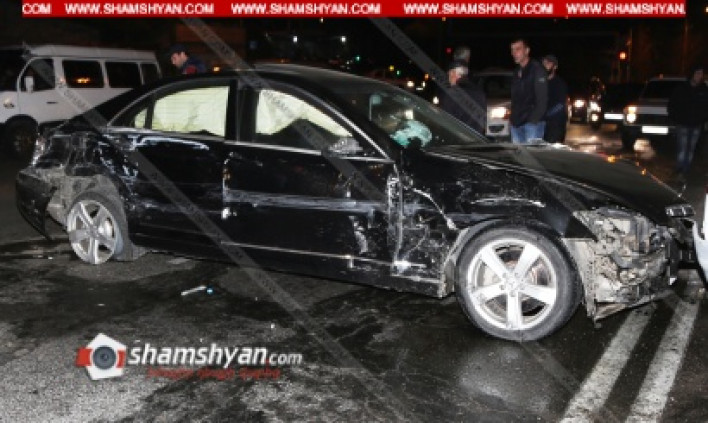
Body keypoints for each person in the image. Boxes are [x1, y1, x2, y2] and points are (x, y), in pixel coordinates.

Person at [668, 64, 708, 176]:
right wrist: (675, 118)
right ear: (692, 74)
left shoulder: (704, 89)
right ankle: (680, 168)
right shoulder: (682, 88)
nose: (700, 76)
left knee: (691, 148)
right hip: (683, 123)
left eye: (701, 74)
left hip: (696, 124)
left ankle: (686, 169)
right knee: (682, 148)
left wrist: (703, 119)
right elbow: (673, 104)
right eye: (698, 73)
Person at [509, 38, 548, 143]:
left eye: (518, 49)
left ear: (527, 50)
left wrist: (533, 121)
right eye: (512, 50)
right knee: (518, 153)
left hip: (531, 125)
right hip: (516, 124)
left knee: (531, 153)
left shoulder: (537, 70)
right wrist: (512, 119)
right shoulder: (516, 72)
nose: (514, 53)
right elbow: (515, 98)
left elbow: (542, 100)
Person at [438, 60, 487, 134]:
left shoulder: (452, 94)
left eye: (449, 74)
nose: (448, 78)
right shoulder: (480, 93)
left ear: (453, 73)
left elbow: (445, 120)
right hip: (475, 138)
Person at [541, 54, 568, 143]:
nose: (545, 66)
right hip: (540, 125)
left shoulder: (559, 83)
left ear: (555, 67)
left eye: (548, 63)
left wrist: (545, 115)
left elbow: (560, 105)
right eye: (544, 63)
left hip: (555, 124)